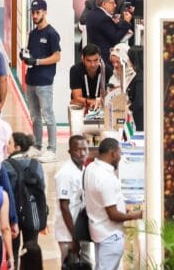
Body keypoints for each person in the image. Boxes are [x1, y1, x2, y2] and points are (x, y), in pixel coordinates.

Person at [84, 138, 142, 270]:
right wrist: (136, 215)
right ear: (113, 153)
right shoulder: (106, 178)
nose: (120, 157)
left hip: (98, 230)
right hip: (110, 235)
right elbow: (113, 215)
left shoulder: (91, 168)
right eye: (120, 153)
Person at [21, 0, 61, 160]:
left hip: (44, 81)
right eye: (33, 13)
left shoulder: (52, 33)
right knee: (35, 116)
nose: (35, 16)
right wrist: (25, 56)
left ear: (45, 12)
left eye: (37, 12)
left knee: (48, 115)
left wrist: (37, 61)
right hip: (31, 79)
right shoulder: (32, 34)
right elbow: (31, 54)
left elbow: (57, 57)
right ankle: (37, 146)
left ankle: (52, 149)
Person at [3, 133, 47, 260]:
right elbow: (42, 187)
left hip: (12, 213)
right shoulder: (36, 164)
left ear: (17, 147)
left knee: (13, 250)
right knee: (31, 248)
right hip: (32, 211)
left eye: (10, 143)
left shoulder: (5, 165)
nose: (6, 145)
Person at [56, 135, 93, 268]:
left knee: (86, 265)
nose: (82, 153)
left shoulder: (83, 170)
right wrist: (74, 237)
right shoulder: (65, 174)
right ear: (70, 151)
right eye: (77, 150)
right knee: (70, 266)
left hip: (81, 229)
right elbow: (64, 206)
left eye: (85, 149)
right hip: (69, 234)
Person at [86, 0, 133, 71]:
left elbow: (107, 32)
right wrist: (126, 22)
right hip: (105, 57)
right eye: (112, 3)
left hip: (98, 53)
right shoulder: (103, 18)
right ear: (104, 4)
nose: (115, 5)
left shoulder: (92, 14)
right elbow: (115, 37)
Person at [71, 44, 108, 110]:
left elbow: (109, 95)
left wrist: (98, 102)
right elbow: (76, 98)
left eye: (96, 60)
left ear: (100, 58)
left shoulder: (106, 70)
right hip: (82, 104)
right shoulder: (75, 70)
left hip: (100, 105)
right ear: (83, 59)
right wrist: (93, 102)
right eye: (89, 61)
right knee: (74, 102)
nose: (93, 64)